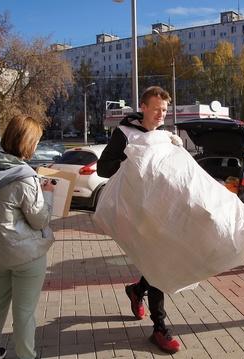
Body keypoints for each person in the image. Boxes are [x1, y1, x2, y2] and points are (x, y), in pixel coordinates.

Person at [97, 86, 181, 354]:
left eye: (165, 110)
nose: (161, 114)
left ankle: (137, 290)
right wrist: (130, 161)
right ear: (143, 107)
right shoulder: (125, 134)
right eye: (156, 108)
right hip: (136, 210)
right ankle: (159, 328)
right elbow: (103, 169)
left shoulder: (165, 136)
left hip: (161, 208)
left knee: (158, 261)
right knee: (156, 262)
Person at [0, 115, 56, 359]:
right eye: (36, 141)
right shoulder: (24, 176)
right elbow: (40, 220)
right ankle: (26, 355)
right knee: (24, 313)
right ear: (28, 142)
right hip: (25, 255)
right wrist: (47, 193)